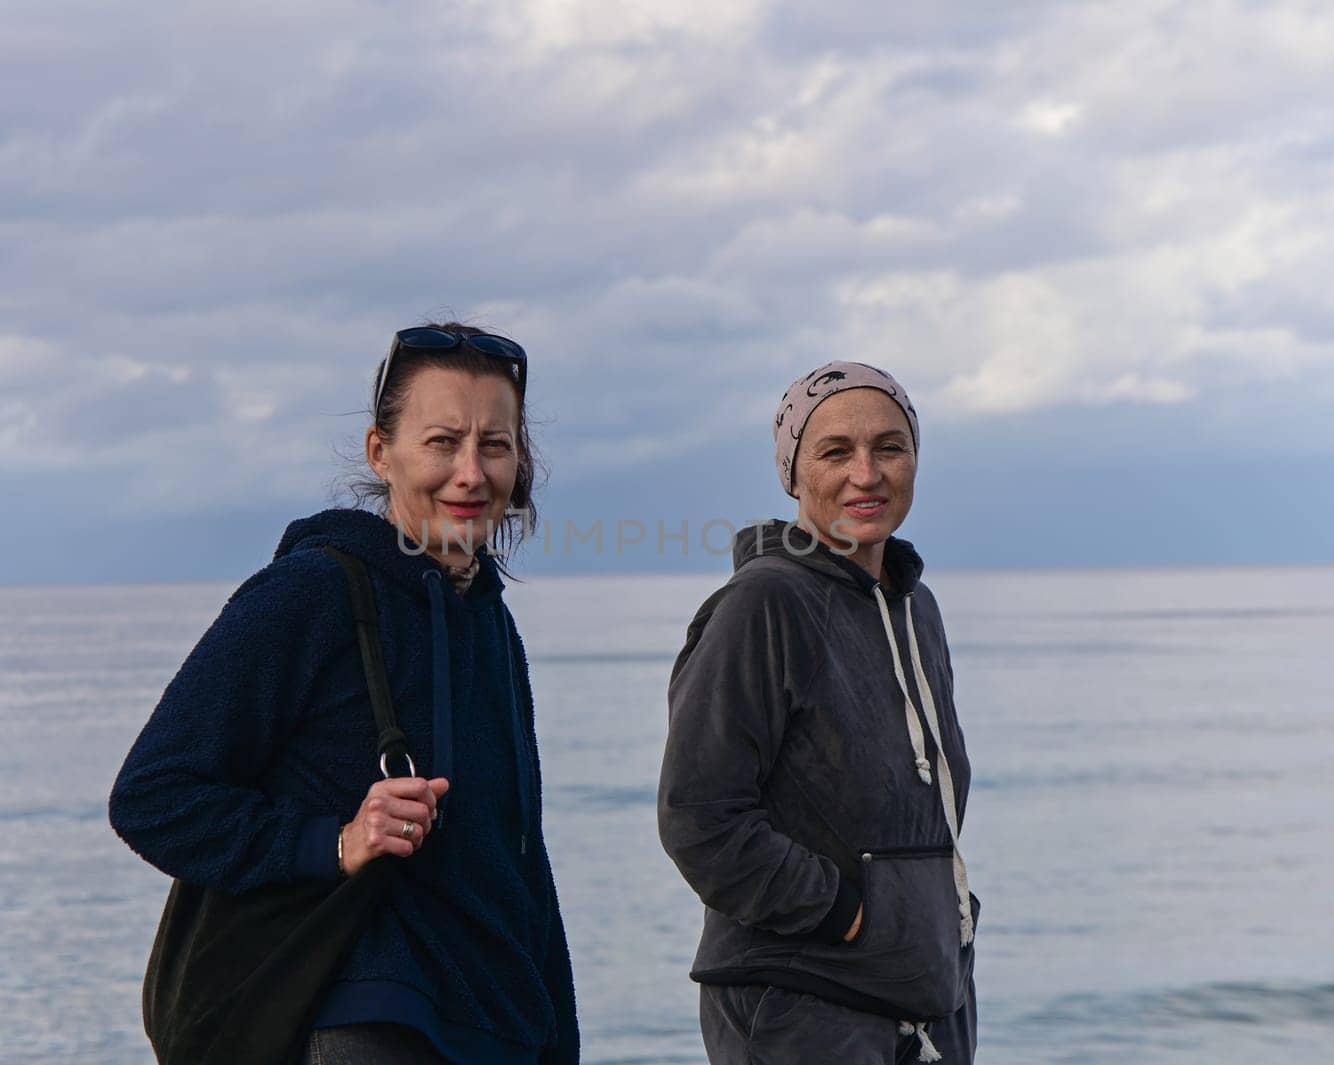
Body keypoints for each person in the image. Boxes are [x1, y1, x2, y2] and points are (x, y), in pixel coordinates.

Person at [109, 323, 579, 1065]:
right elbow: (153, 796)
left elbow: (520, 856)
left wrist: (556, 1039)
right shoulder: (313, 592)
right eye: (441, 442)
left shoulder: (491, 624)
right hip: (368, 1015)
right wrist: (332, 840)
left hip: (498, 1026)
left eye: (495, 444)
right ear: (379, 452)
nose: (470, 472)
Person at [658, 360, 979, 1064]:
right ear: (793, 473)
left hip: (925, 1005)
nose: (867, 473)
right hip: (801, 1007)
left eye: (889, 446)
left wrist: (943, 918)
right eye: (836, 451)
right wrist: (847, 913)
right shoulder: (761, 604)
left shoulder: (915, 608)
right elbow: (700, 816)